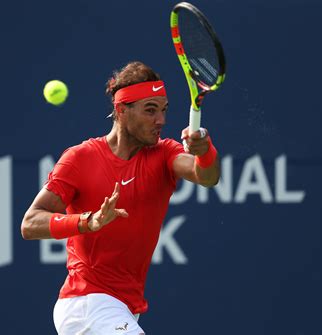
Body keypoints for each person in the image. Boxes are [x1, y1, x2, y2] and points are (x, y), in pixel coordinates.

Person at [21, 61, 220, 334]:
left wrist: (204, 150)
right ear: (121, 111)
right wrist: (86, 221)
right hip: (87, 304)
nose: (160, 120)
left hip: (123, 308)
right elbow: (30, 223)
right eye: (150, 110)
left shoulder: (165, 154)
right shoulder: (80, 158)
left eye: (163, 110)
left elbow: (206, 177)